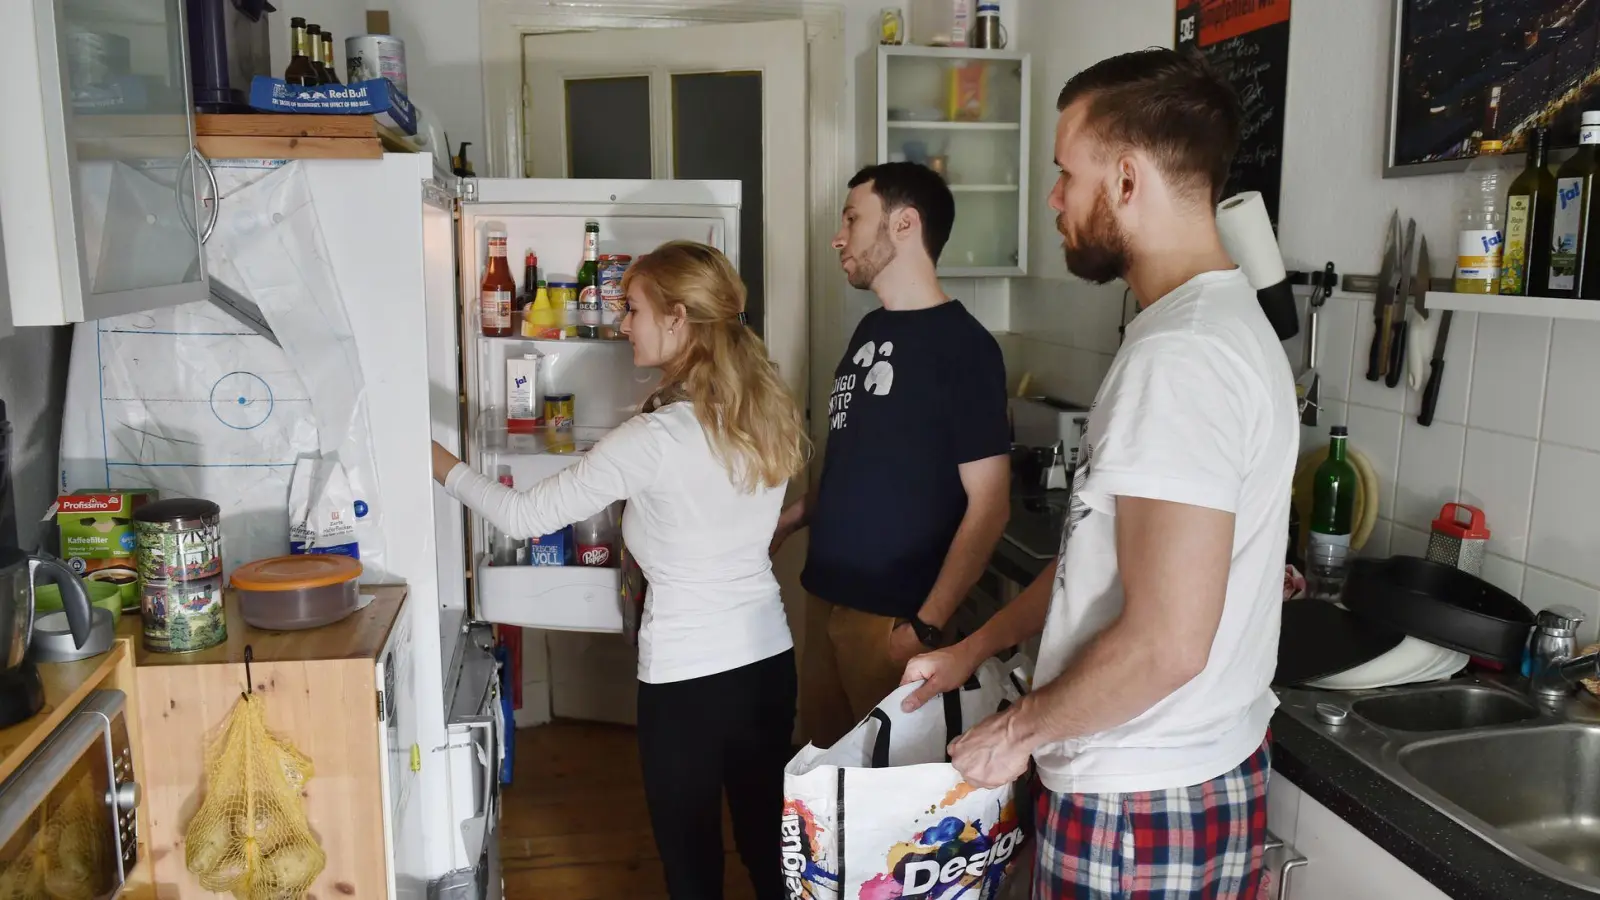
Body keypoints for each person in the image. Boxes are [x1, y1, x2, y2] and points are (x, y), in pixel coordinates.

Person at [900, 49, 1297, 898]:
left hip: (1139, 804)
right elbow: (1101, 560)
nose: (1053, 199)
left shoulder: (1181, 355)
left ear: (1125, 179)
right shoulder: (1211, 323)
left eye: (1063, 175)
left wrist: (1015, 733)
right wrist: (974, 646)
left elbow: (1166, 644)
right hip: (1173, 782)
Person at [431, 241, 806, 900]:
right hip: (766, 661)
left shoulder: (653, 440)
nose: (621, 322)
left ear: (679, 318)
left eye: (632, 309)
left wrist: (436, 461)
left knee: (693, 868)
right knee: (766, 845)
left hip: (686, 680)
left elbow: (520, 518)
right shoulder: (764, 417)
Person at [769, 161, 1011, 748]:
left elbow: (991, 506)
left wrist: (923, 628)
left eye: (853, 218)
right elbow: (856, 455)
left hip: (893, 619)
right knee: (824, 781)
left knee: (888, 798)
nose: (839, 236)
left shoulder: (966, 349)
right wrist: (794, 518)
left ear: (904, 225)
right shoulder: (869, 330)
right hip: (827, 597)